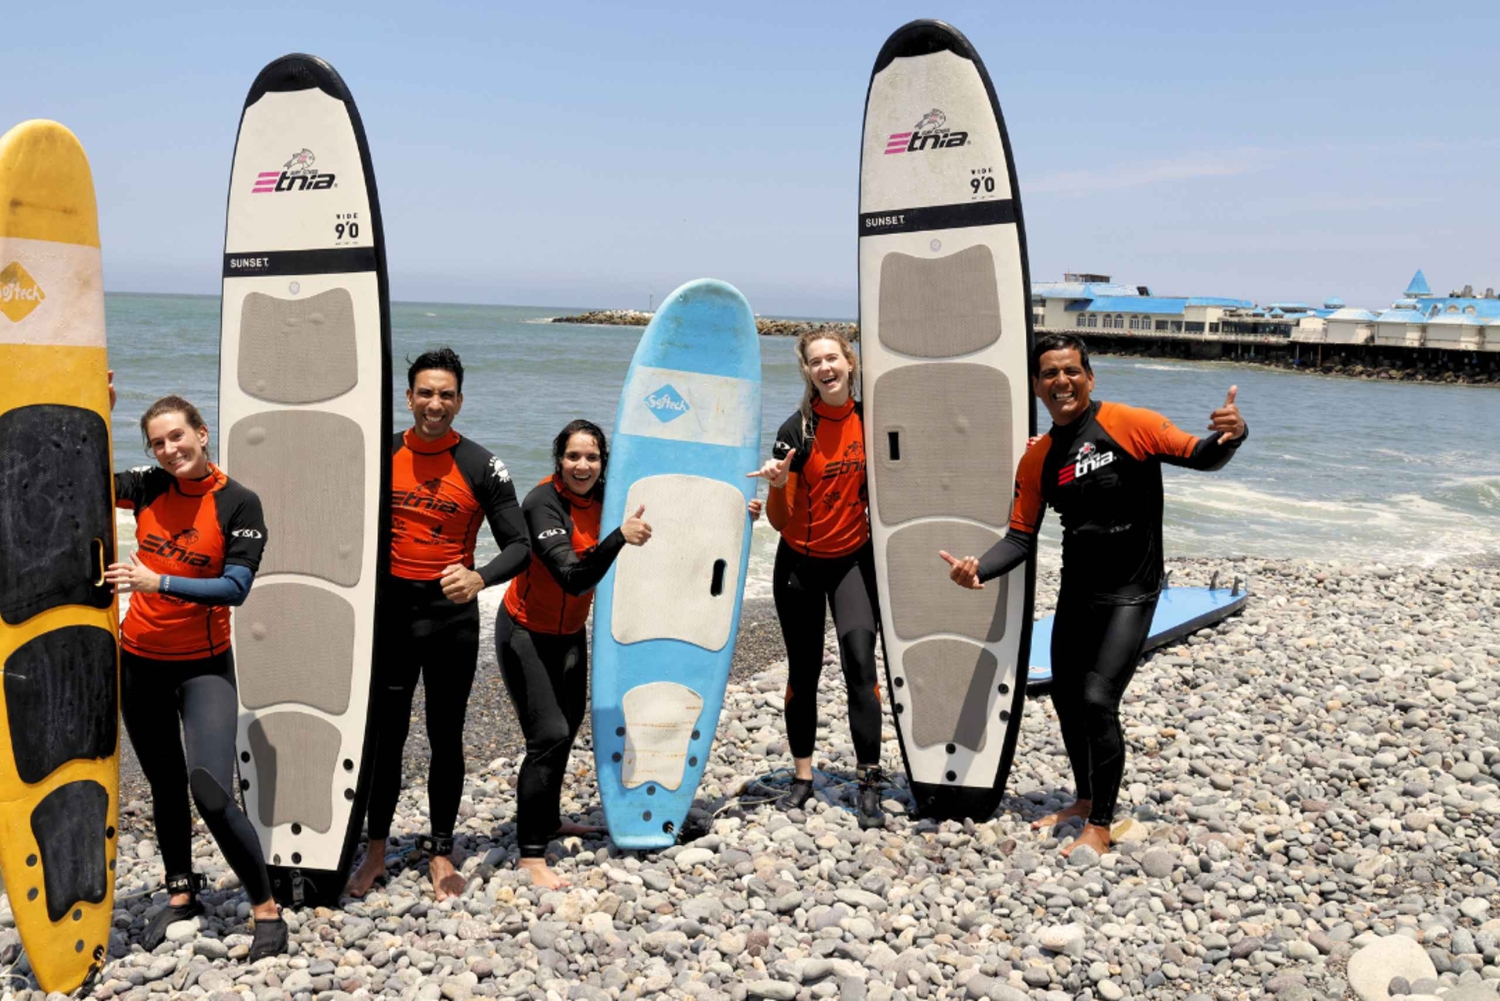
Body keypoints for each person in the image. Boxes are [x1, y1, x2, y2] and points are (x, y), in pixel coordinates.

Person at [940, 333, 1246, 857]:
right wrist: (979, 570)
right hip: (1079, 592)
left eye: (1071, 371)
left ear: (1089, 377)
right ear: (1037, 386)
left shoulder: (1133, 425)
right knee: (1065, 700)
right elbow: (1019, 536)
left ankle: (1101, 824)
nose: (1061, 382)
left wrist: (1233, 435)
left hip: (1132, 592)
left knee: (1098, 701)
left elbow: (1201, 455)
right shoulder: (1037, 459)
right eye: (1049, 374)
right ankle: (1083, 800)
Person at [103, 379, 286, 959]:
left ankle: (266, 911)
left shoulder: (239, 503)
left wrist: (158, 581)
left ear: (201, 435)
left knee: (208, 788)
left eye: (177, 436)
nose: (168, 450)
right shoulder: (149, 487)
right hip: (139, 662)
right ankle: (181, 893)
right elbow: (81, 477)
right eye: (156, 442)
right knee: (162, 784)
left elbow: (235, 587)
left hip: (203, 668)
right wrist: (94, 413)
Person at [347, 348, 530, 900]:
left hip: (450, 619)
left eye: (445, 394)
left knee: (445, 736)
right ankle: (375, 849)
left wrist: (479, 578)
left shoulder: (482, 465)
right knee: (386, 737)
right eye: (425, 393)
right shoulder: (380, 455)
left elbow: (520, 545)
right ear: (408, 398)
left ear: (459, 401)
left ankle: (442, 849)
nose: (435, 403)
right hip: (391, 618)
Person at [495, 420, 648, 889]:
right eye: (573, 457)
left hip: (569, 632)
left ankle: (549, 818)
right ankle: (531, 853)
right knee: (549, 734)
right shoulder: (542, 504)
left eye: (592, 457)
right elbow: (573, 576)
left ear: (604, 462)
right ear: (558, 459)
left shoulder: (608, 496)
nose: (582, 466)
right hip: (525, 631)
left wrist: (749, 510)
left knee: (570, 724)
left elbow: (673, 511)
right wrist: (620, 537)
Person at [749, 330, 887, 829]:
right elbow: (781, 522)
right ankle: (803, 777)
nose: (825, 368)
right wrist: (779, 485)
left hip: (853, 561)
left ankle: (868, 780)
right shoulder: (796, 430)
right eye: (815, 362)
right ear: (806, 371)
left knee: (860, 669)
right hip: (800, 567)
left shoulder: (872, 419)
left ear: (850, 363)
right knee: (802, 674)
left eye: (833, 358)